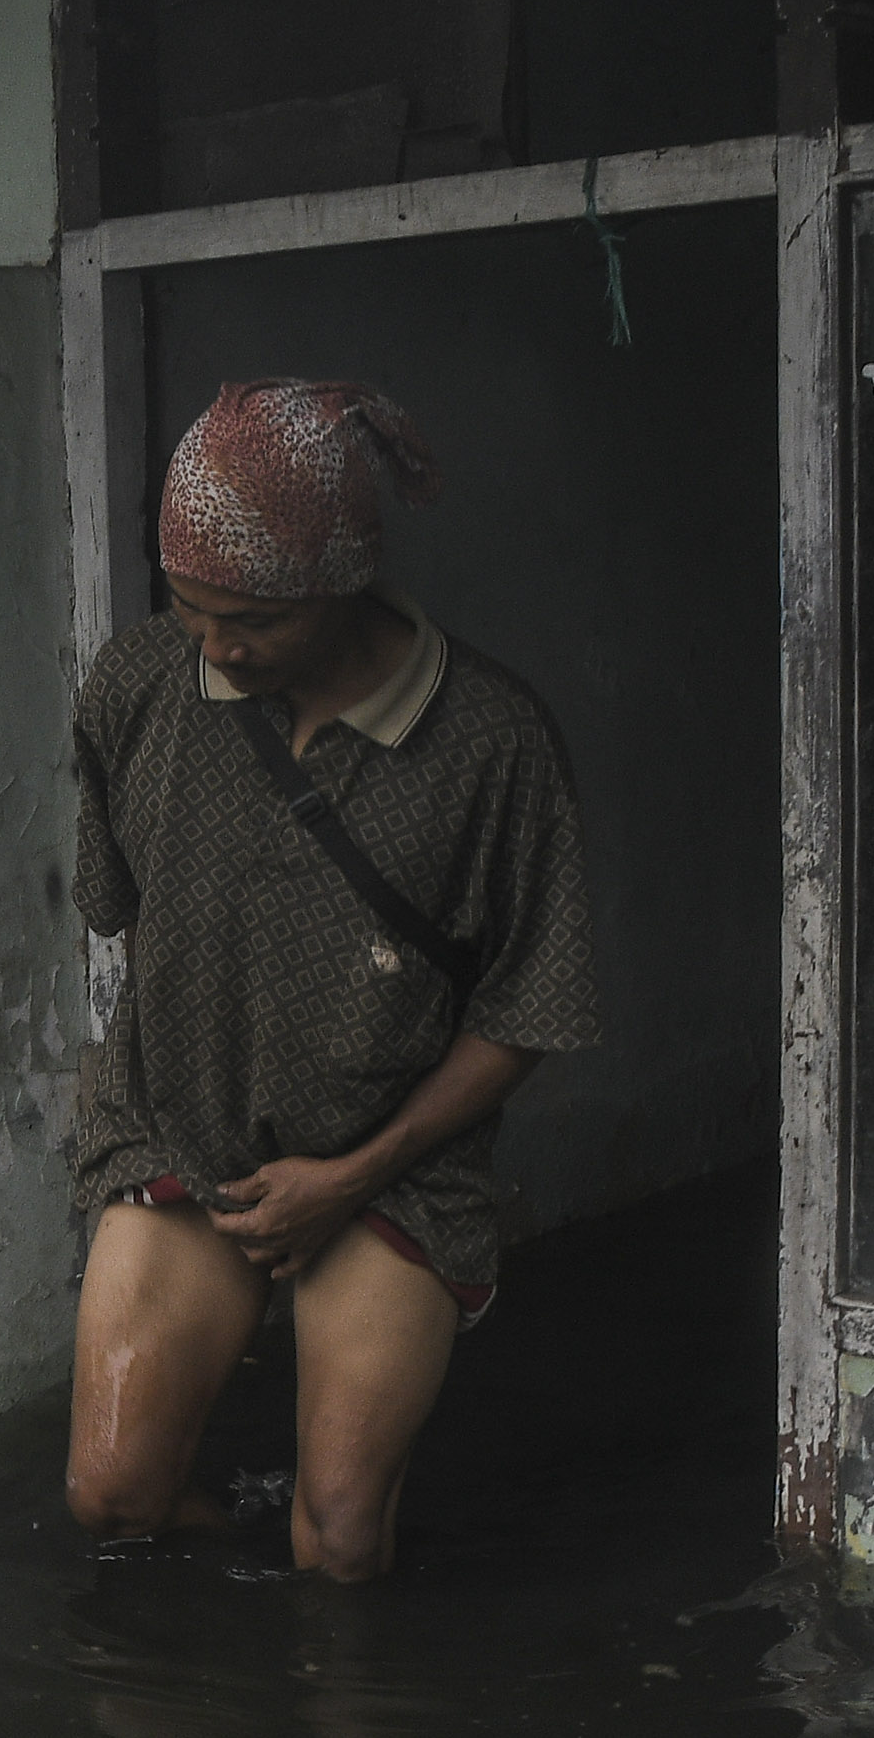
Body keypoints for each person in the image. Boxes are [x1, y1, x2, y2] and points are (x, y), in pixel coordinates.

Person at [63, 377, 598, 1580]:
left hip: (385, 1173)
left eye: (249, 620)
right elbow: (117, 910)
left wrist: (348, 1176)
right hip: (184, 1131)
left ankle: (333, 1713)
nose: (217, 647)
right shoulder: (137, 689)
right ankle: (235, 1635)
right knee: (111, 1498)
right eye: (189, 610)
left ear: (341, 585)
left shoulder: (492, 744)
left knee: (343, 1538)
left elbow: (529, 1009)